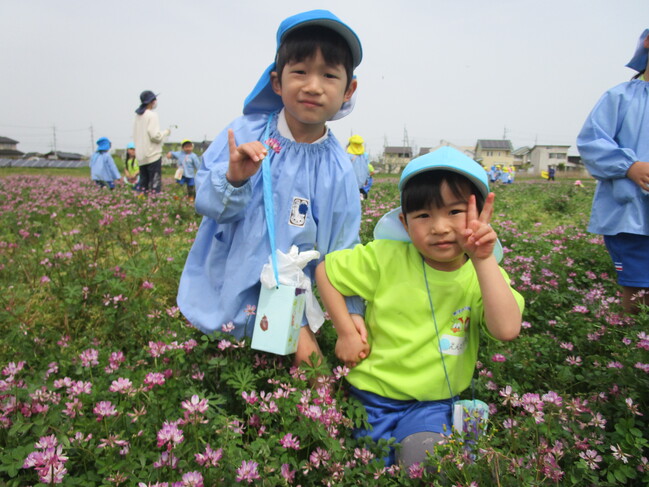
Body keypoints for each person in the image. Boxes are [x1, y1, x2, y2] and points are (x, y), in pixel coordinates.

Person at [177, 10, 365, 366]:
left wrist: (352, 312)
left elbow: (342, 246)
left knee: (313, 371)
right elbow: (211, 205)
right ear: (277, 82)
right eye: (300, 72)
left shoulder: (338, 167)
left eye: (329, 75)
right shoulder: (245, 133)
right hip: (233, 270)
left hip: (287, 287)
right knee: (225, 357)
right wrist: (235, 177)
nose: (313, 86)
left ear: (348, 90)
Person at [315, 147, 524, 466]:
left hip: (435, 402)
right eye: (423, 215)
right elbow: (326, 272)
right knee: (373, 466)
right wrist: (345, 331)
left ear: (480, 215)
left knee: (424, 457)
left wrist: (482, 261)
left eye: (455, 212)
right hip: (370, 399)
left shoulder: (483, 276)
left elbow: (507, 329)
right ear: (405, 221)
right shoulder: (386, 257)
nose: (439, 227)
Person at [577, 28, 649, 314]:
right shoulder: (621, 96)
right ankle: (634, 348)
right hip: (630, 215)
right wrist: (629, 166)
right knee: (639, 289)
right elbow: (591, 141)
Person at [133, 90, 171, 194]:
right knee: (155, 184)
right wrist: (166, 132)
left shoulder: (138, 116)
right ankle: (155, 204)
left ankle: (142, 204)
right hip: (152, 155)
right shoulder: (152, 115)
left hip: (141, 156)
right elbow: (155, 136)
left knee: (143, 185)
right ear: (152, 101)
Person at [347, 134, 370, 199]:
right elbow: (367, 170)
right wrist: (366, 180)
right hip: (361, 185)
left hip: (350, 185)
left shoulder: (347, 156)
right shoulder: (364, 156)